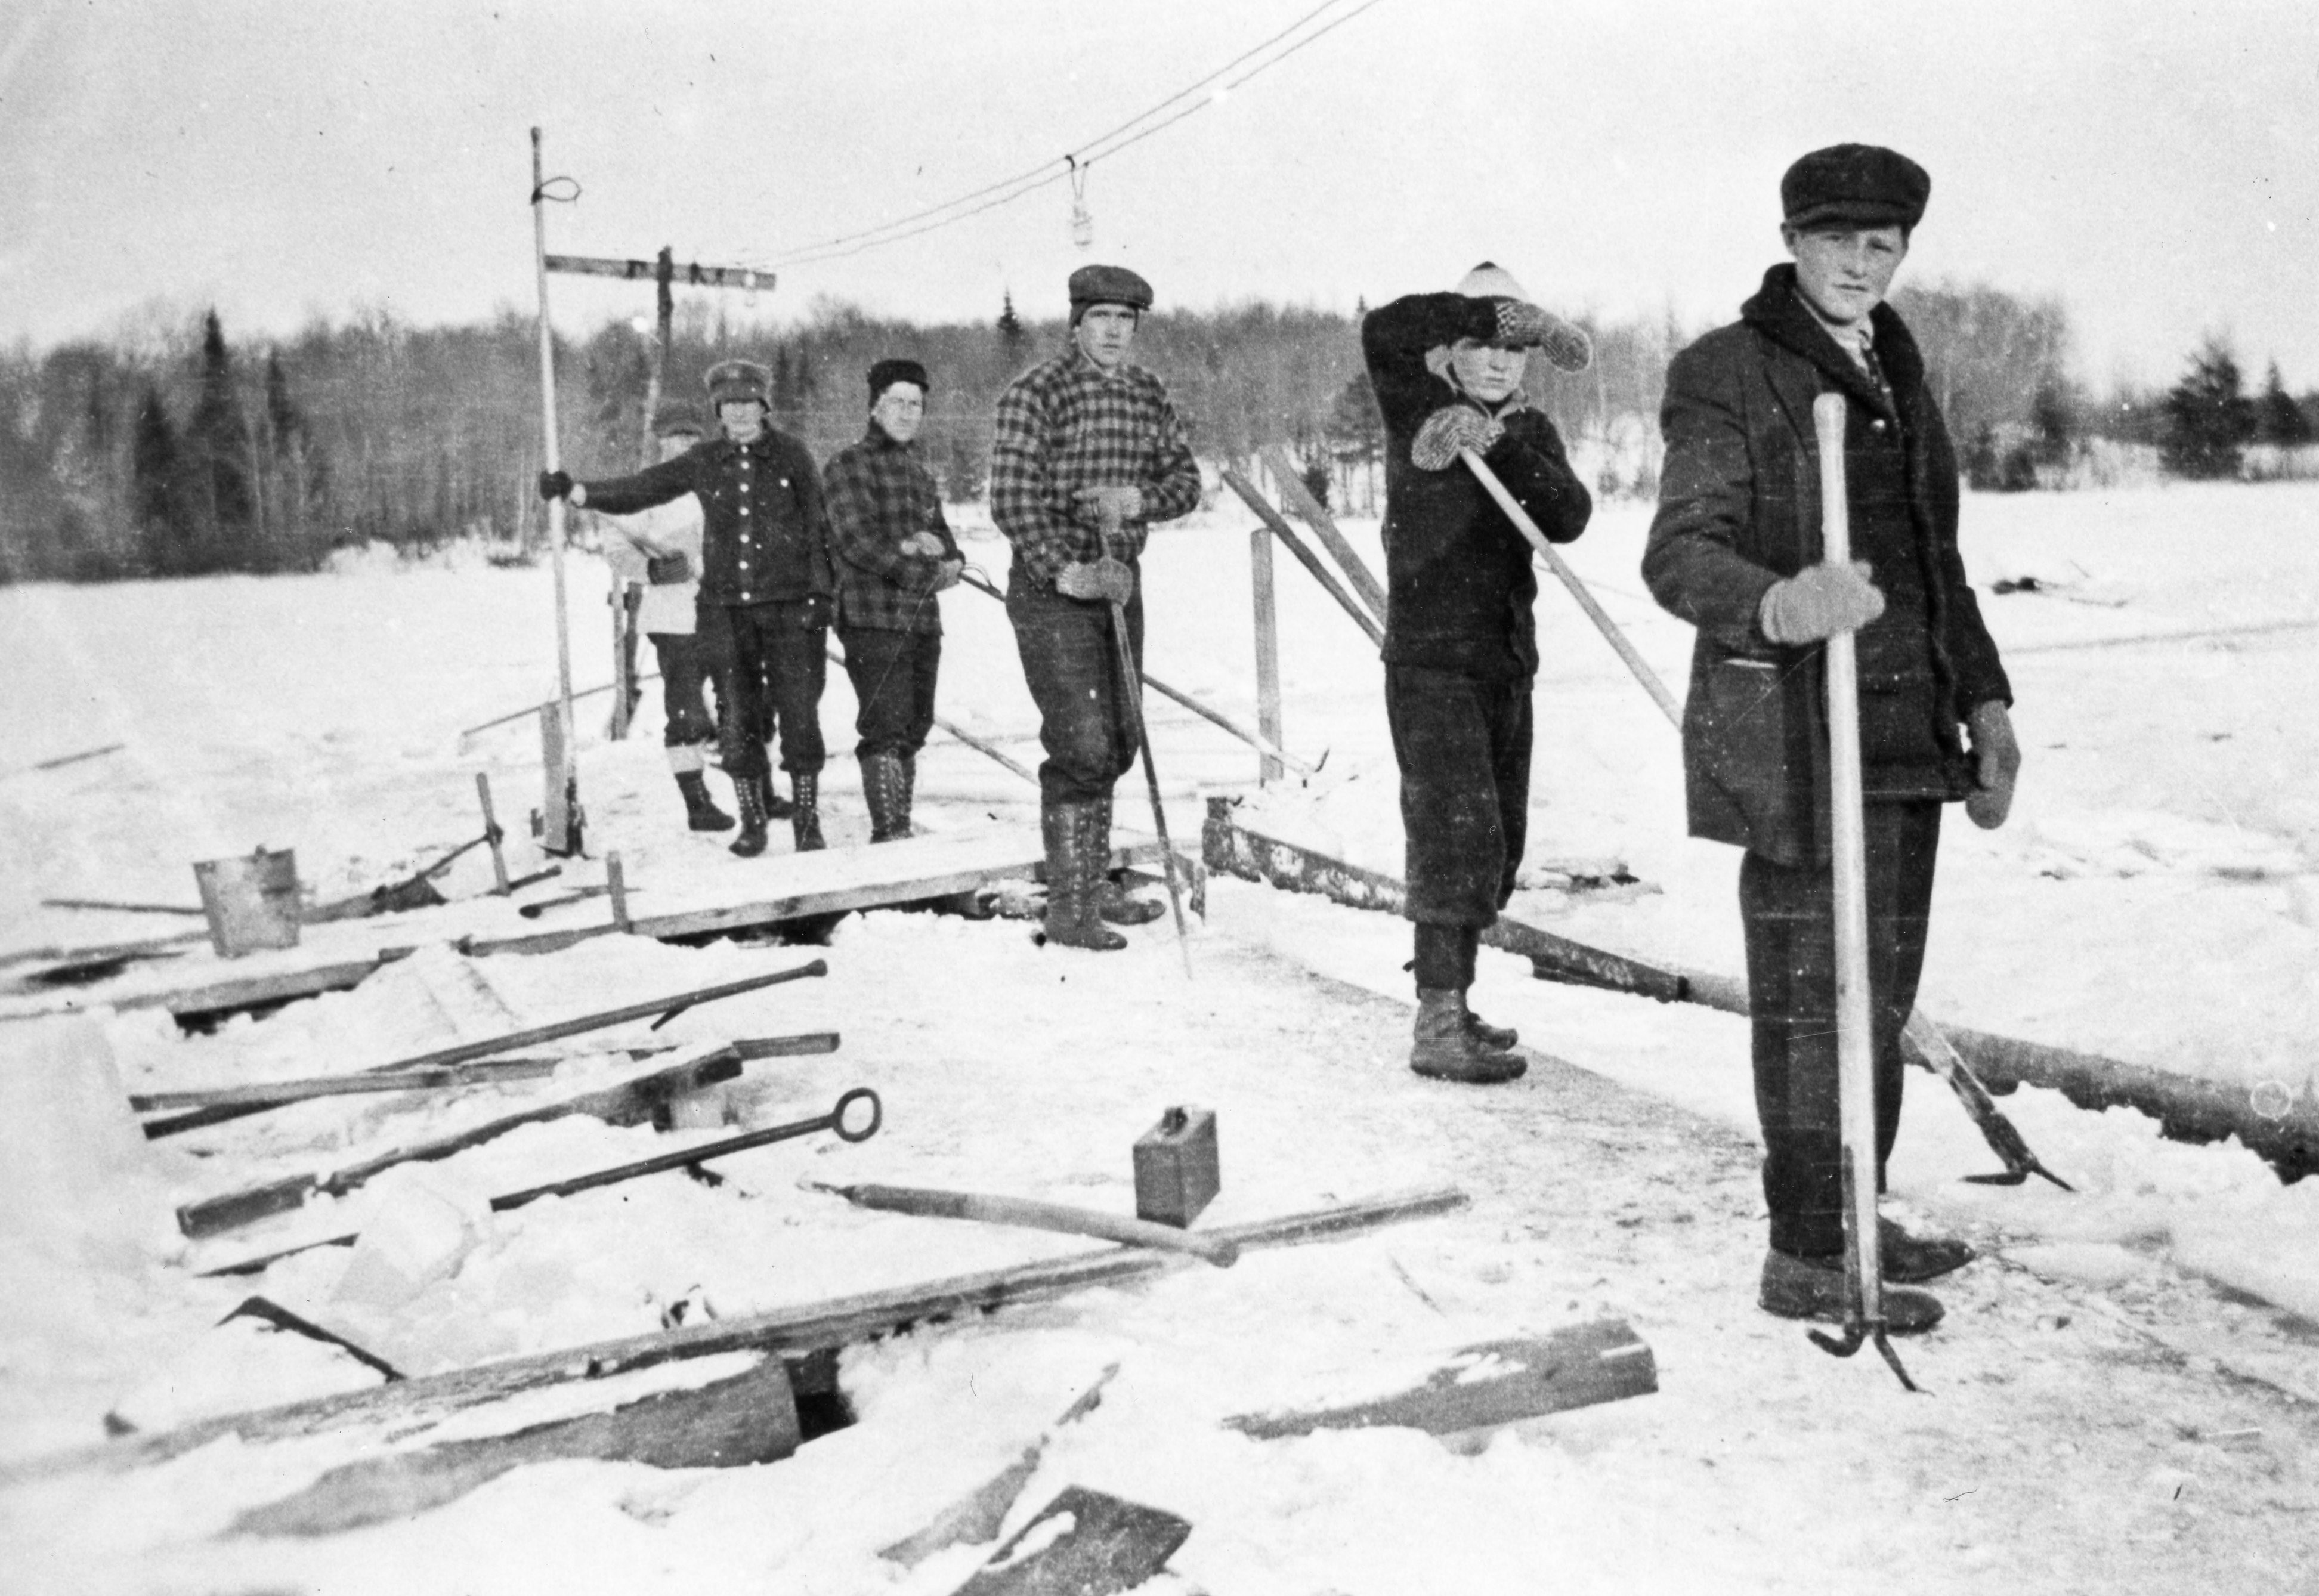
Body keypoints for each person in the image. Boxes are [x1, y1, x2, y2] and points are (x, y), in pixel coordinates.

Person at [1641, 144, 2021, 1333]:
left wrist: (1991, 702)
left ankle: (1856, 1205)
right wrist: (1778, 600)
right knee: (1813, 1002)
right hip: (1800, 736)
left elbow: (1936, 559)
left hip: (1907, 735)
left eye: (1886, 242)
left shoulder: (1897, 364)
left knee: (1880, 994)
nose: (1864, 262)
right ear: (1793, 239)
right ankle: (1807, 1249)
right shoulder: (1729, 371)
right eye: (1840, 239)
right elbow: (1679, 552)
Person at [1361, 264, 1594, 1084]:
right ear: (1452, 351)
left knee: (1498, 846)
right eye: (1481, 344)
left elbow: (1567, 516)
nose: (1498, 363)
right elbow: (1384, 327)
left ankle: (1454, 1001)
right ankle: (1437, 1018)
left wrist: (1496, 444)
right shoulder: (1412, 405)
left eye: (1514, 350)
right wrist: (1502, 309)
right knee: (1454, 835)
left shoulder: (1527, 432)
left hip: (1504, 661)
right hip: (1431, 663)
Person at [542, 359, 836, 858]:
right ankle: (753, 823)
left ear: (765, 407)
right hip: (725, 614)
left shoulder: (792, 455)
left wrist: (821, 601)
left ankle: (808, 822)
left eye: (749, 403)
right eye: (730, 405)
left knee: (799, 716)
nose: (740, 414)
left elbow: (818, 529)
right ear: (719, 411)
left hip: (789, 612)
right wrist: (580, 492)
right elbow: (643, 489)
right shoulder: (704, 460)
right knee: (736, 718)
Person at [989, 264, 1201, 950]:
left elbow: (1186, 481)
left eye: (1126, 320)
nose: (1114, 331)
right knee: (1080, 739)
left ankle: (1096, 883)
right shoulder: (1037, 392)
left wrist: (1138, 500)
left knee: (1118, 739)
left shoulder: (1146, 391)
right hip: (1054, 589)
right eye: (1101, 318)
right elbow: (1012, 500)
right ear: (1076, 322)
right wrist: (1070, 571)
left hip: (1119, 581)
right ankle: (1070, 908)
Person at [824, 358, 964, 842]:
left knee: (916, 725)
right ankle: (890, 833)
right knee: (885, 726)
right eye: (897, 403)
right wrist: (919, 570)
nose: (907, 413)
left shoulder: (921, 475)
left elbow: (944, 537)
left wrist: (953, 562)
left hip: (922, 620)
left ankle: (899, 825)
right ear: (874, 408)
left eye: (916, 405)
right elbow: (856, 541)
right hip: (870, 616)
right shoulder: (847, 465)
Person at [596, 400, 732, 833]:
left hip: (726, 611)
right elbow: (617, 546)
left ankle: (762, 794)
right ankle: (697, 804)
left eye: (692, 437)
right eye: (677, 437)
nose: (685, 445)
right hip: (673, 618)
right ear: (661, 442)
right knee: (688, 713)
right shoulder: (644, 489)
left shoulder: (721, 482)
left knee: (746, 704)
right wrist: (651, 569)